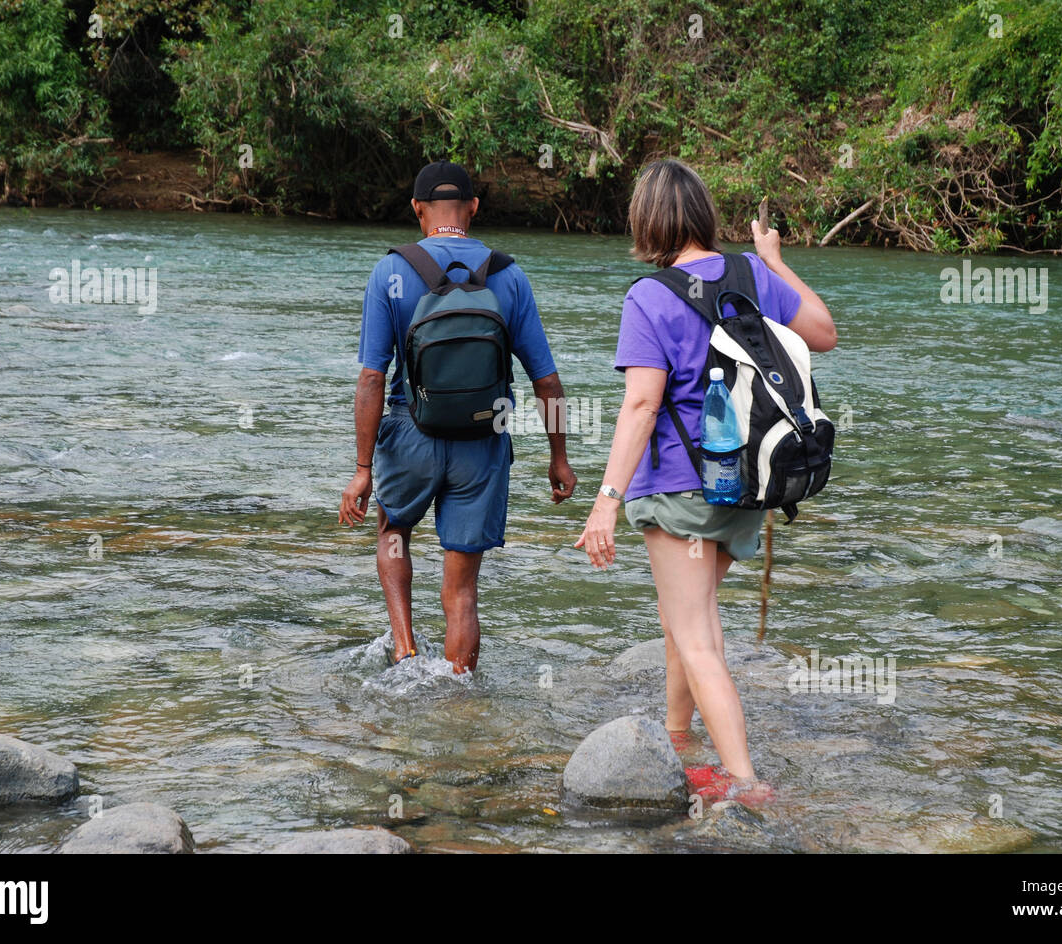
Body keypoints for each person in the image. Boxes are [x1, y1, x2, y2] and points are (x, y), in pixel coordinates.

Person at [575, 159, 836, 802]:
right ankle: (677, 738)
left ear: (647, 220)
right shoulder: (752, 275)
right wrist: (773, 261)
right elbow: (824, 334)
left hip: (679, 494)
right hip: (746, 492)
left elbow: (641, 407)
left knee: (697, 638)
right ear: (703, 214)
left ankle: (747, 785)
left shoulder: (649, 297)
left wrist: (605, 501)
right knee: (683, 619)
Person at [340, 161, 577, 674]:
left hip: (409, 434)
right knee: (463, 588)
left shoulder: (391, 272)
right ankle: (458, 690)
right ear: (473, 208)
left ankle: (404, 652)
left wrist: (362, 469)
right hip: (482, 437)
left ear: (417, 210)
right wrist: (559, 458)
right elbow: (547, 382)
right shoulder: (509, 276)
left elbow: (372, 379)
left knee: (392, 532)